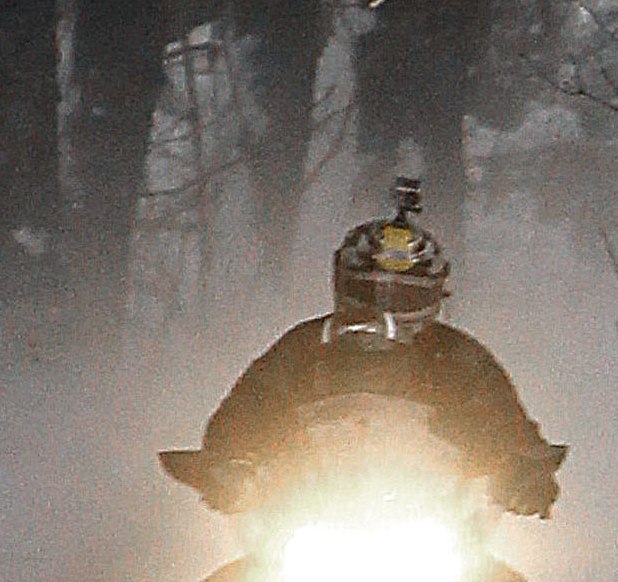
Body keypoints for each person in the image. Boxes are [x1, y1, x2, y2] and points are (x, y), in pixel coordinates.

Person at [168, 178, 565, 517]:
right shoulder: (304, 350)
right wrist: (229, 468)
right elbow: (250, 409)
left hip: (434, 538)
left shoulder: (459, 359)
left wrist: (523, 471)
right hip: (305, 531)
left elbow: (502, 423)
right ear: (343, 285)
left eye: (405, 298)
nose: (386, 310)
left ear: (435, 297)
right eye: (370, 292)